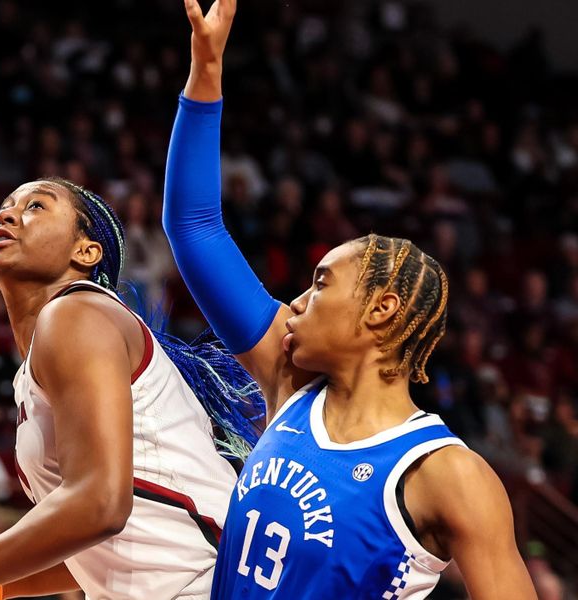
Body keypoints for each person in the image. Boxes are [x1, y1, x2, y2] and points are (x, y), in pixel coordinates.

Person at [161, 1, 537, 598]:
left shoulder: (446, 473)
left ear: (381, 309)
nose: (299, 300)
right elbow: (194, 227)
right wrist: (205, 73)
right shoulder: (290, 388)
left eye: (321, 282)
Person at [0, 174, 261, 600]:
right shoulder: (50, 351)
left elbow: (100, 506)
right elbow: (96, 549)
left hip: (212, 585)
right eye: (5, 206)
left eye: (36, 206)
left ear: (86, 251)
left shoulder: (77, 313)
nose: (7, 214)